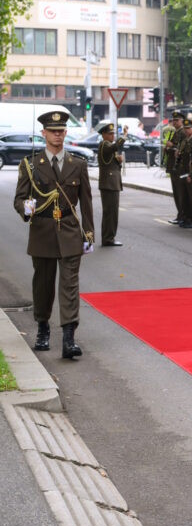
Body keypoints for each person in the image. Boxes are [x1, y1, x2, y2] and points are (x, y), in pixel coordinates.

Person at [13, 110, 94, 359]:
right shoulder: (30, 164)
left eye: (61, 131)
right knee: (43, 285)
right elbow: (19, 199)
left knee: (70, 285)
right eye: (53, 131)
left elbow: (86, 202)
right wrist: (27, 210)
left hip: (69, 231)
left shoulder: (77, 165)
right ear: (44, 134)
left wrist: (88, 234)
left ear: (65, 133)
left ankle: (69, 338)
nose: (57, 135)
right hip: (42, 231)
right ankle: (42, 328)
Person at [96, 121, 125, 247]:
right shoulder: (104, 144)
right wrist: (124, 136)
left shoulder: (107, 144)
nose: (112, 135)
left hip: (110, 184)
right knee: (111, 213)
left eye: (113, 133)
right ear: (103, 134)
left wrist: (118, 161)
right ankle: (108, 238)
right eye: (110, 133)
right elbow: (114, 147)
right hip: (109, 184)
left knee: (111, 213)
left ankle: (108, 238)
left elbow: (110, 163)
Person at [164, 111, 185, 224]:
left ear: (182, 121)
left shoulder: (182, 132)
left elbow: (181, 148)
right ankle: (180, 214)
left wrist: (171, 146)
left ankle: (182, 215)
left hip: (178, 167)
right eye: (174, 120)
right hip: (173, 166)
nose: (175, 122)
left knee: (180, 193)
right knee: (176, 193)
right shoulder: (175, 132)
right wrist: (167, 149)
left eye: (177, 120)